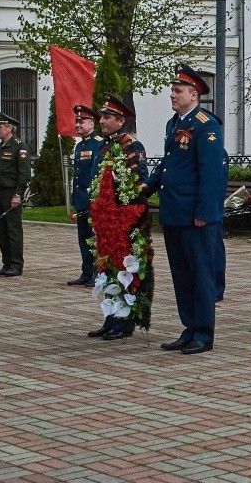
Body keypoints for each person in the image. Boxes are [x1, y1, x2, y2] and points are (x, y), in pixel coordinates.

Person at [140, 64, 228, 355]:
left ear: (194, 94)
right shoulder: (174, 124)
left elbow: (212, 173)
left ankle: (204, 332)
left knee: (200, 272)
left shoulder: (205, 125)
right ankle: (189, 327)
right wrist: (147, 187)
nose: (173, 95)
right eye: (172, 90)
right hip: (175, 211)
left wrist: (205, 212)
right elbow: (168, 164)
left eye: (178, 91)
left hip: (195, 215)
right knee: (181, 273)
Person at [87, 94, 151, 341]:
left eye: (107, 117)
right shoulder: (104, 146)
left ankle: (125, 322)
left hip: (124, 222)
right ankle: (110, 318)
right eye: (102, 116)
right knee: (107, 269)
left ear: (121, 120)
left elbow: (139, 182)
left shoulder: (131, 146)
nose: (101, 121)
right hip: (105, 222)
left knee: (125, 270)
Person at [0, 112, 32, 277]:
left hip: (11, 193)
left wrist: (18, 194)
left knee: (13, 229)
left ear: (8, 128)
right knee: (1, 230)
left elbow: (24, 173)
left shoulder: (19, 147)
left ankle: (16, 264)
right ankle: (6, 263)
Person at [67, 104, 100, 288]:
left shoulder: (98, 144)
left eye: (82, 121)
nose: (78, 124)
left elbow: (96, 174)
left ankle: (97, 273)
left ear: (92, 123)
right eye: (77, 121)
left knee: (94, 238)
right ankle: (86, 272)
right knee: (83, 238)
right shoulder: (80, 145)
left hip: (92, 200)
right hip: (81, 200)